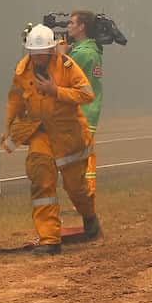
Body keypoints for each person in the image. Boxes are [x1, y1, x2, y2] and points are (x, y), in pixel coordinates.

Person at [3, 23, 101, 255]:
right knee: (41, 180)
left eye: (42, 54)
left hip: (69, 137)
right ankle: (49, 240)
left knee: (76, 188)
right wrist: (10, 125)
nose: (37, 58)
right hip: (41, 133)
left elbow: (87, 94)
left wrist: (57, 91)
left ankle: (90, 218)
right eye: (33, 54)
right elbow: (15, 99)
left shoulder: (67, 66)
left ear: (51, 50)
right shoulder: (22, 71)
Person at [66, 10, 104, 196]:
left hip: (80, 113)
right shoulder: (92, 50)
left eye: (72, 23)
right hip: (89, 112)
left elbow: (61, 76)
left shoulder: (82, 54)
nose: (68, 26)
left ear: (82, 27)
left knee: (79, 160)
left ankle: (84, 197)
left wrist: (59, 55)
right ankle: (84, 196)